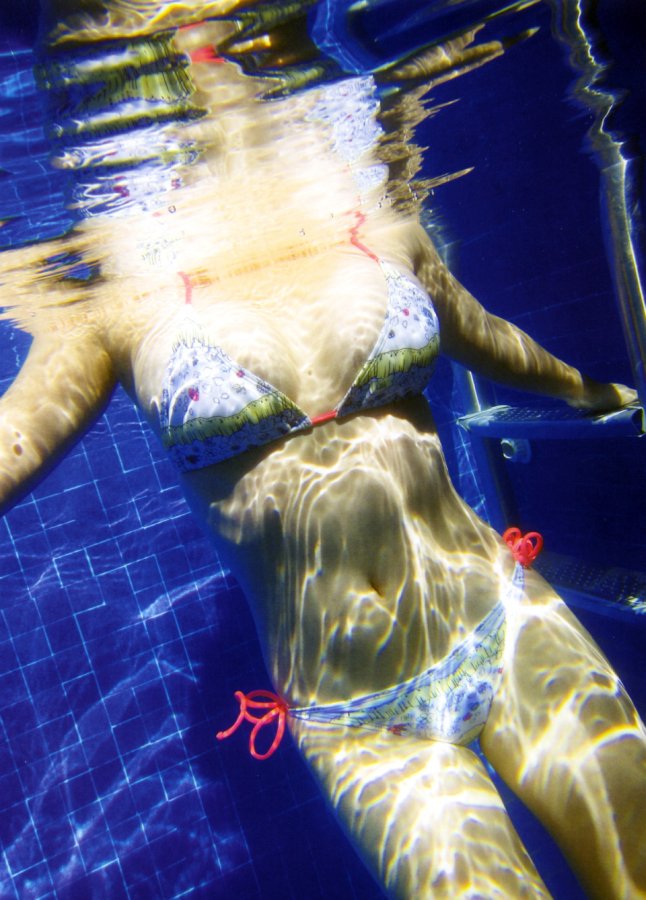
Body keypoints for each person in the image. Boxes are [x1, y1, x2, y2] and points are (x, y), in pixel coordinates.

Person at [1, 3, 644, 897]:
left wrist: (591, 392)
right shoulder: (114, 295)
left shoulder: (369, 215)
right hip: (363, 719)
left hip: (504, 621)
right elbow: (18, 436)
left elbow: (482, 334)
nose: (224, 83)